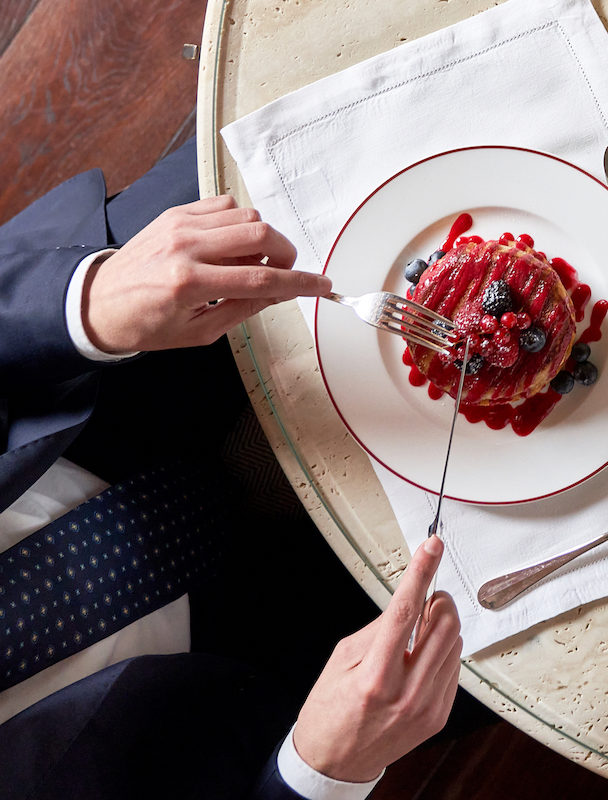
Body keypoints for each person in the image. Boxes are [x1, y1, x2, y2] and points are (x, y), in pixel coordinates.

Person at [0, 141, 463, 800]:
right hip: (236, 688)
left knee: (306, 135)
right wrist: (317, 775)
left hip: (65, 394)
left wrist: (81, 304)